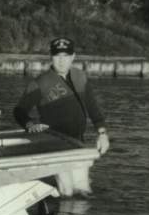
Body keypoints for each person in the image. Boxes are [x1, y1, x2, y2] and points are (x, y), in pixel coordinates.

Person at [13, 36, 111, 195]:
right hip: (55, 146)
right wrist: (30, 125)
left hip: (78, 143)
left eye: (65, 56)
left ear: (73, 57)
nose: (61, 60)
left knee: (83, 191)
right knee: (67, 193)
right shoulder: (40, 83)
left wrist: (102, 133)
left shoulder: (80, 77)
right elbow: (19, 110)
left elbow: (93, 109)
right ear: (51, 57)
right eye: (57, 56)